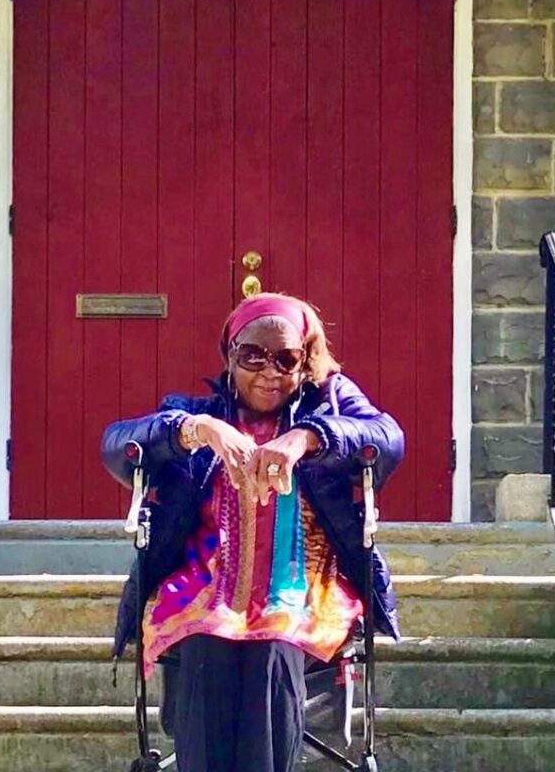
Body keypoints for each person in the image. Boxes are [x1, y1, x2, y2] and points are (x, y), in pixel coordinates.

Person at [101, 292, 404, 772]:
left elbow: (387, 438)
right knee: (206, 645)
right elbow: (117, 444)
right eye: (252, 356)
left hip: (302, 587)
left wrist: (309, 437)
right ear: (229, 355)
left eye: (286, 359)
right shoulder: (191, 412)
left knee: (272, 653)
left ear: (305, 362)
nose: (269, 371)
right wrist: (198, 430)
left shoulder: (330, 402)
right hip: (206, 586)